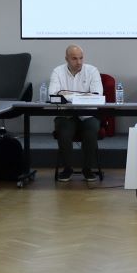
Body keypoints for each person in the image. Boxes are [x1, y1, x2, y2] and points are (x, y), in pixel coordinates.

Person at [47, 45, 103, 182]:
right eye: (74, 58)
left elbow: (97, 95)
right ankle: (67, 169)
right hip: (65, 114)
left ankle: (88, 169)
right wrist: (83, 96)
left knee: (91, 131)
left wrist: (67, 95)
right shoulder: (57, 72)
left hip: (88, 114)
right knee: (64, 133)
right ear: (66, 59)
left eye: (81, 58)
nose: (79, 62)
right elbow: (52, 96)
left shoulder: (92, 71)